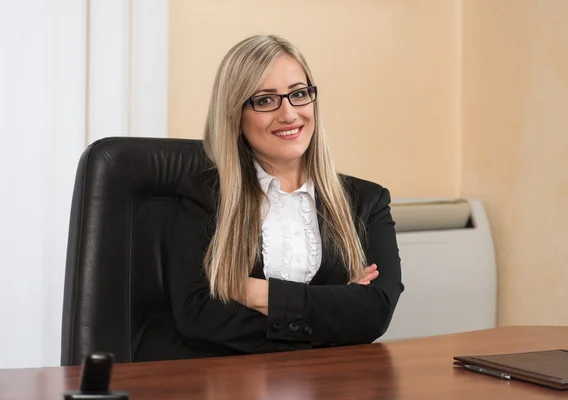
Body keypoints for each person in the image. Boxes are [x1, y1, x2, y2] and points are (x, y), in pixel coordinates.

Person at [168, 34, 404, 358]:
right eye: (265, 100)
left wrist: (256, 293)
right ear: (235, 116)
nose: (289, 114)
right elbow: (198, 317)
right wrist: (333, 312)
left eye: (298, 94)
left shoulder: (367, 201)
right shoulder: (204, 198)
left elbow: (374, 313)